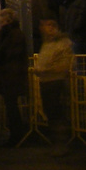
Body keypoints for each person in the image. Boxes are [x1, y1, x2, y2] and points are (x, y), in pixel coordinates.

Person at [34, 16, 74, 149]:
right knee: (50, 113)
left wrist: (44, 70)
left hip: (56, 82)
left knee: (57, 114)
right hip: (46, 82)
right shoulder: (47, 43)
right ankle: (55, 142)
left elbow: (64, 65)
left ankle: (61, 144)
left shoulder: (63, 43)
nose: (48, 28)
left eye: (51, 25)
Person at [0, 7, 29, 146]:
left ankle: (16, 135)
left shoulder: (12, 34)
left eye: (2, 21)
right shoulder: (12, 34)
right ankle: (15, 134)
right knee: (11, 106)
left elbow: (7, 54)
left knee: (11, 106)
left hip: (11, 75)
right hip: (11, 75)